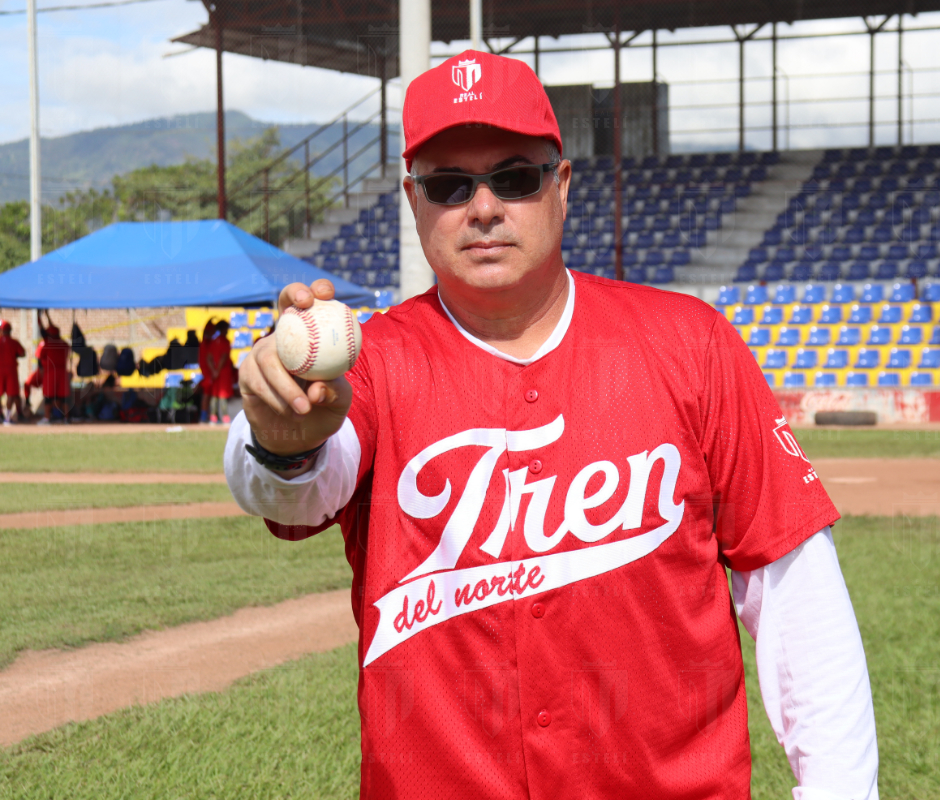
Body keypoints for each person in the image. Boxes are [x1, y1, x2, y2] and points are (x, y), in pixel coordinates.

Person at [224, 50, 877, 800]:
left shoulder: (689, 344)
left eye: (514, 177)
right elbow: (299, 489)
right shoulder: (374, 363)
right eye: (448, 184)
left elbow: (796, 589)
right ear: (412, 202)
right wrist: (280, 432)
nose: (483, 207)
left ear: (560, 186)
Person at [35, 311, 71, 425]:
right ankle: (66, 419)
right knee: (63, 397)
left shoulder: (47, 343)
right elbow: (51, 331)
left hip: (51, 373)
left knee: (48, 396)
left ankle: (46, 419)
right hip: (62, 372)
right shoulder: (64, 343)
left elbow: (43, 331)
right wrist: (47, 315)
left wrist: (39, 316)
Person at [205, 320, 234, 424]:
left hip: (215, 373)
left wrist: (213, 371)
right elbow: (224, 357)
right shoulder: (225, 342)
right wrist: (217, 371)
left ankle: (213, 417)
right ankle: (225, 417)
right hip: (223, 372)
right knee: (222, 395)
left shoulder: (213, 342)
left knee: (214, 395)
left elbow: (208, 358)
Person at [0, 320, 25, 424]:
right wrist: (14, 355)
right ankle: (7, 418)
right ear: (10, 330)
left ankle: (2, 416)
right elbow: (22, 353)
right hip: (11, 370)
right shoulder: (14, 342)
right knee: (11, 394)